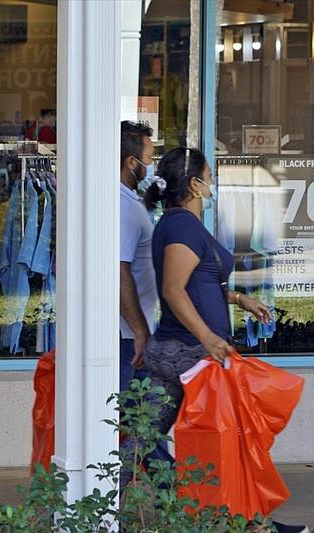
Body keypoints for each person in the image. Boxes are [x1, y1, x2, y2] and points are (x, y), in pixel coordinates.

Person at [137, 148, 307, 533]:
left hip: (179, 350)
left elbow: (199, 283)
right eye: (209, 175)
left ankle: (236, 520)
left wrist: (238, 298)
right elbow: (174, 289)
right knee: (232, 444)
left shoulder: (182, 223)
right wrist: (210, 339)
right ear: (195, 184)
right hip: (192, 354)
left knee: (140, 439)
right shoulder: (181, 225)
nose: (214, 182)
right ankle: (251, 524)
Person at [119, 120, 157, 391]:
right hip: (126, 338)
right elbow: (118, 271)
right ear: (132, 162)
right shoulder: (121, 206)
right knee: (130, 424)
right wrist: (140, 331)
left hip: (131, 333)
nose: (152, 164)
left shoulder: (130, 200)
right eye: (149, 158)